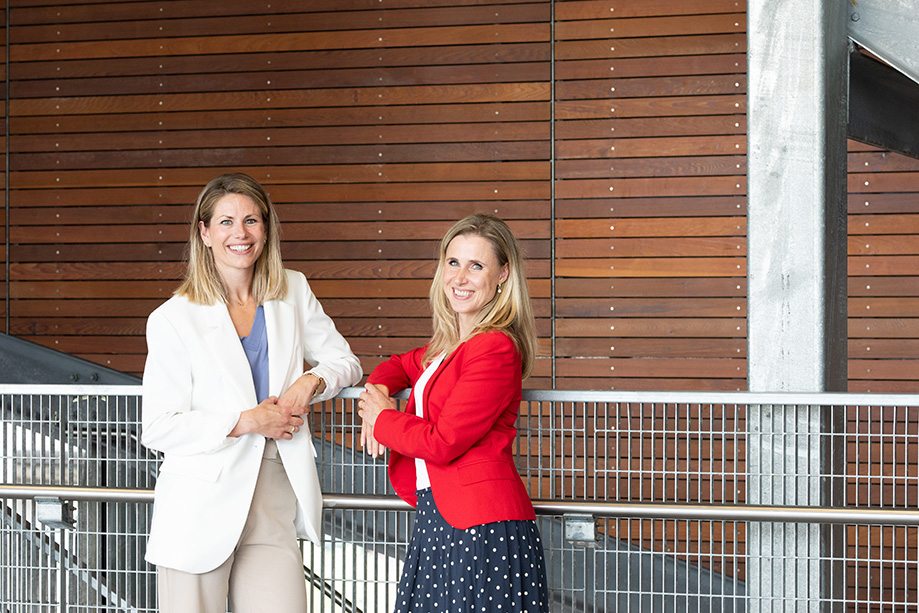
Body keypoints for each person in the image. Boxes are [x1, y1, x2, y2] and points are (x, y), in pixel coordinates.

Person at [141, 172, 361, 612]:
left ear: (266, 229)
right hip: (200, 506)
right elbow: (158, 428)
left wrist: (309, 382)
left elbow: (346, 362)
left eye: (251, 221)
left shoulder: (293, 290)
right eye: (225, 222)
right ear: (204, 233)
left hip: (274, 494)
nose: (239, 234)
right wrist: (246, 421)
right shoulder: (172, 319)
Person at [358, 213, 549, 613]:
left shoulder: (495, 347)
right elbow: (399, 364)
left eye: (476, 265)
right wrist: (375, 392)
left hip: (481, 526)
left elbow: (443, 443)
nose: (460, 277)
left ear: (502, 275)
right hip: (440, 521)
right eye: (453, 262)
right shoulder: (449, 348)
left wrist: (381, 419)